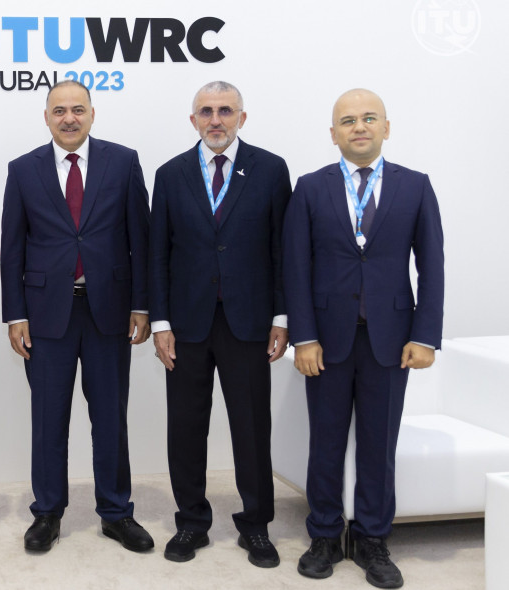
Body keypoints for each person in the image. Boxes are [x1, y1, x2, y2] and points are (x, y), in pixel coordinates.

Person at [283, 89, 444, 589]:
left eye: (369, 118)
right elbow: (295, 267)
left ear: (386, 128)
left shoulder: (415, 186)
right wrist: (303, 337)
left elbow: (432, 265)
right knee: (325, 442)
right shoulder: (310, 188)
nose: (359, 127)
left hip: (391, 342)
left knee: (379, 443)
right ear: (333, 133)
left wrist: (426, 336)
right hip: (326, 342)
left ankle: (373, 538)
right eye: (348, 120)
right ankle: (325, 535)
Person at [0, 80, 153, 553]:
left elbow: (141, 238)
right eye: (60, 110)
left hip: (110, 310)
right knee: (49, 420)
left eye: (78, 110)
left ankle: (116, 512)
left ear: (92, 114)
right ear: (46, 116)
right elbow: (12, 247)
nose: (69, 118)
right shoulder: (22, 169)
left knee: (110, 418)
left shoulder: (123, 161)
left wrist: (142, 305)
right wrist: (15, 314)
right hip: (46, 315)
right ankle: (47, 513)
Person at [149, 81, 291, 568]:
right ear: (193, 120)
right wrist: (161, 321)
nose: (216, 120)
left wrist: (281, 316)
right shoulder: (170, 174)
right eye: (206, 111)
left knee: (251, 428)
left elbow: (282, 249)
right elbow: (157, 254)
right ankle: (191, 521)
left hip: (249, 322)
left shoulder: (270, 169)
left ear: (241, 118)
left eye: (225, 111)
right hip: (186, 324)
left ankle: (257, 526)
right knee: (186, 428)